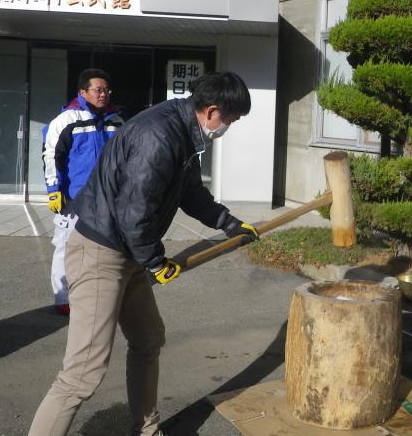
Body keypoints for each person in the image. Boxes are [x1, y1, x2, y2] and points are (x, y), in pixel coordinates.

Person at [28, 71, 260, 436]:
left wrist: (228, 223)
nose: (229, 126)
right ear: (212, 110)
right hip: (101, 252)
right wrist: (154, 260)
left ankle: (146, 429)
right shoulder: (160, 136)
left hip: (128, 250)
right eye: (230, 119)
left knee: (148, 339)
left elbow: (189, 192)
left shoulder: (186, 131)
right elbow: (134, 211)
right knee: (82, 374)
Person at [41, 68, 123, 316]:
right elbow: (51, 156)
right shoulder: (65, 121)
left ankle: (100, 293)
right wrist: (54, 190)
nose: (103, 94)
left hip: (108, 198)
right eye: (98, 90)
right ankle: (63, 298)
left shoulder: (116, 120)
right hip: (75, 198)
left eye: (106, 90)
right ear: (82, 92)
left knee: (108, 246)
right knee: (66, 246)